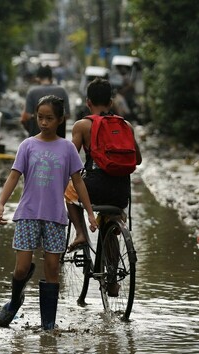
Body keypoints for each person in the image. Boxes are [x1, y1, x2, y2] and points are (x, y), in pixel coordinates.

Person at [0, 95, 97, 330]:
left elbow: (78, 183)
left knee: (52, 268)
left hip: (55, 217)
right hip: (28, 214)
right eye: (40, 117)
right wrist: (1, 203)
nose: (44, 123)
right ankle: (14, 302)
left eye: (49, 118)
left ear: (60, 119)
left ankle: (48, 327)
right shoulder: (27, 145)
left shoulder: (68, 148)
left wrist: (90, 213)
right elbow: (14, 176)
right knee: (21, 267)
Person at [64, 78, 142, 295]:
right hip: (120, 191)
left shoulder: (82, 125)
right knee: (110, 223)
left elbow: (71, 160)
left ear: (88, 102)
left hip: (94, 187)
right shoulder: (126, 126)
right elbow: (139, 159)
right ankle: (114, 280)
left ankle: (80, 233)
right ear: (110, 102)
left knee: (69, 191)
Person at [21, 65, 71, 138]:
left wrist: (31, 129)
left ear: (38, 78)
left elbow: (25, 117)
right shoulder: (61, 91)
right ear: (51, 78)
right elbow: (67, 115)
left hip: (36, 138)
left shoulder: (32, 92)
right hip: (58, 138)